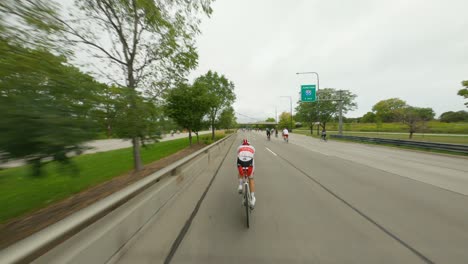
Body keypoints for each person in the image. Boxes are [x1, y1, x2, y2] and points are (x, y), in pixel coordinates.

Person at [237, 139, 256, 207]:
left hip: (241, 161)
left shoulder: (239, 147)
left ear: (242, 144)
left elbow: (238, 154)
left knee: (240, 171)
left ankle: (240, 185)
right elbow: (253, 155)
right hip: (249, 161)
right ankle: (252, 198)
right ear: (249, 144)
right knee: (251, 178)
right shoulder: (252, 147)